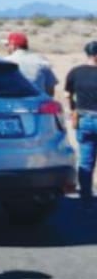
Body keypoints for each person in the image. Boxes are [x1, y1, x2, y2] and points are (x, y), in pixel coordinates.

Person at [64, 41, 97, 210]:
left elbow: (67, 94)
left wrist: (72, 110)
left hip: (84, 119)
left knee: (85, 161)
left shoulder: (75, 72)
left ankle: (86, 200)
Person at [4, 32, 58, 96]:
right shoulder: (41, 60)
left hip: (12, 100)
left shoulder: (5, 62)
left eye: (7, 45)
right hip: (37, 100)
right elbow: (50, 88)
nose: (6, 48)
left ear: (13, 46)